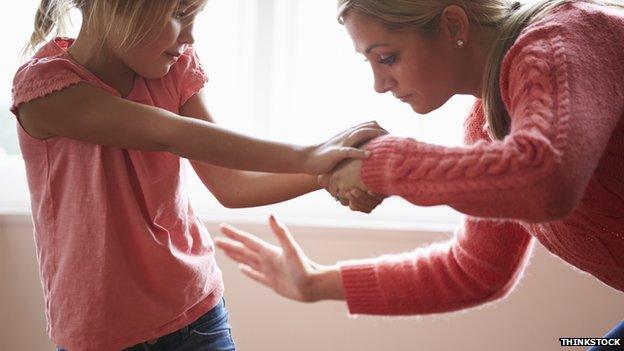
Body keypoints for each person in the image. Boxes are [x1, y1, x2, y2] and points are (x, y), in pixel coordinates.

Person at [214, 0, 624, 347]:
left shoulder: (564, 39)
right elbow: (475, 269)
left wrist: (381, 163)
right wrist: (315, 283)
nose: (378, 84)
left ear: (452, 24)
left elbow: (546, 179)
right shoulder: (489, 120)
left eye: (387, 57)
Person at [9, 0, 387, 350]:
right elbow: (170, 134)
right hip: (99, 336)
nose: (190, 36)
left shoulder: (174, 69)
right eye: (179, 13)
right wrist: (315, 156)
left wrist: (331, 170)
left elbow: (234, 184)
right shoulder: (46, 90)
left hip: (197, 319)